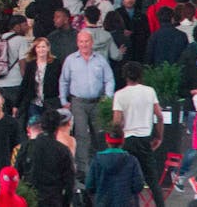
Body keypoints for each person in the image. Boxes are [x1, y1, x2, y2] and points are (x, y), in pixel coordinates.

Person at [59, 30, 115, 179]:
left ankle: (100, 166)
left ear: (92, 43)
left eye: (87, 41)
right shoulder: (71, 60)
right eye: (81, 41)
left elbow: (109, 79)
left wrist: (108, 98)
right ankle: (83, 170)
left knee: (100, 134)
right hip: (78, 102)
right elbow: (64, 81)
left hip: (97, 102)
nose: (84, 44)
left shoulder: (100, 59)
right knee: (81, 135)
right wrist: (64, 101)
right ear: (77, 43)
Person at [111, 61, 164, 207]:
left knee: (126, 178)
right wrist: (158, 136)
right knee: (152, 180)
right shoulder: (149, 91)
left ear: (124, 76)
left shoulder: (119, 95)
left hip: (127, 140)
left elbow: (117, 122)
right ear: (141, 75)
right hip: (145, 139)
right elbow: (159, 116)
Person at [14, 110, 74, 207]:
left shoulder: (27, 146)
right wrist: (65, 203)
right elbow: (69, 183)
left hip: (30, 198)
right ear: (57, 127)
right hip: (53, 200)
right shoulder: (63, 150)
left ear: (41, 125)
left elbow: (16, 174)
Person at [84, 126, 144, 207]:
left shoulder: (97, 160)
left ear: (107, 141)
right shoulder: (132, 161)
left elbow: (89, 186)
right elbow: (138, 185)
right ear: (123, 141)